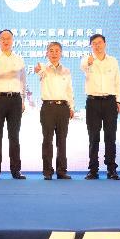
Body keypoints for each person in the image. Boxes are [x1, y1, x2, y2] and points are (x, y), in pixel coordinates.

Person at [80, 33, 120, 180]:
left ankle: (111, 169)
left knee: (110, 137)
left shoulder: (113, 61)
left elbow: (117, 82)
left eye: (99, 43)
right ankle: (93, 170)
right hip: (93, 102)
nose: (97, 46)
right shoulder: (87, 60)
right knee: (93, 137)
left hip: (110, 102)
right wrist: (89, 62)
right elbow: (83, 67)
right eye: (94, 43)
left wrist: (118, 101)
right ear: (91, 46)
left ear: (105, 44)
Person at [0, 29, 26, 179]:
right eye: (3, 38)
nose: (6, 41)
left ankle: (16, 170)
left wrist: (22, 99)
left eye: (8, 38)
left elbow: (23, 81)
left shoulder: (19, 59)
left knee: (14, 136)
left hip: (15, 100)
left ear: (12, 40)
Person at [34, 42, 74, 180]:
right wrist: (38, 70)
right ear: (47, 53)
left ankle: (61, 171)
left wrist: (71, 107)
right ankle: (47, 171)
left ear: (61, 53)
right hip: (48, 108)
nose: (54, 53)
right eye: (51, 51)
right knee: (47, 140)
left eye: (57, 51)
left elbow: (69, 90)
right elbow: (39, 72)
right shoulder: (43, 68)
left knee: (62, 141)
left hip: (63, 108)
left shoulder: (66, 71)